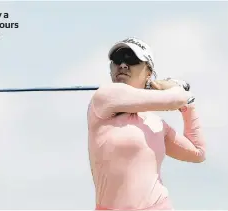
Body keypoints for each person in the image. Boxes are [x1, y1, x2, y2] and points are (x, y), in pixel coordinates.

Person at [87, 37, 206, 210]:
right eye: (117, 61)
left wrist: (190, 106)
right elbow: (176, 99)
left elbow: (198, 153)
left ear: (148, 72)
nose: (123, 65)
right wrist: (176, 87)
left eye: (132, 60)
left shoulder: (156, 124)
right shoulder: (105, 96)